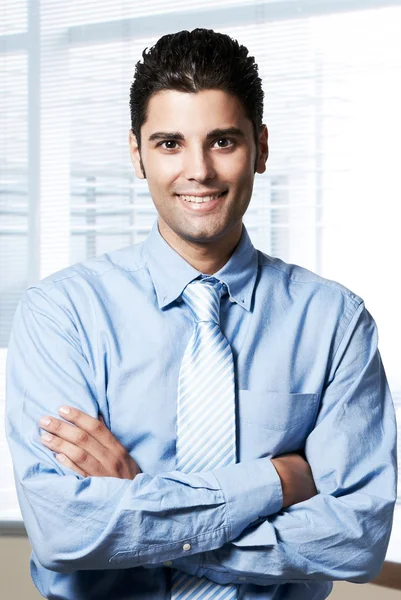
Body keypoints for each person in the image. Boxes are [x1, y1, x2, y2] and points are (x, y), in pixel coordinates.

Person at [5, 28, 397, 600]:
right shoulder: (61, 315)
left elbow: (356, 540)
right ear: (136, 153)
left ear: (260, 148)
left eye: (222, 141)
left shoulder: (335, 322)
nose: (199, 171)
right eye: (169, 143)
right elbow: (66, 531)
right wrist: (275, 481)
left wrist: (145, 504)